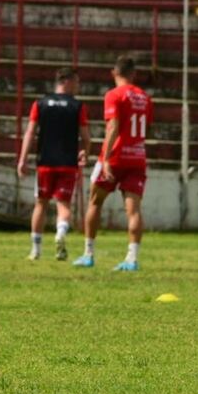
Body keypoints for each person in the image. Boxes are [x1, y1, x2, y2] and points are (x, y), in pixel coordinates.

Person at [73, 56, 153, 272]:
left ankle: (88, 254)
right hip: (137, 157)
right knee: (134, 210)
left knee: (95, 202)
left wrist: (106, 159)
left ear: (113, 73)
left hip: (115, 156)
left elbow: (113, 128)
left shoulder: (113, 95)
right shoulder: (144, 97)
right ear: (134, 74)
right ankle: (132, 259)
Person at [17, 67, 92, 261]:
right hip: (68, 163)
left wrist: (23, 158)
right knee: (63, 204)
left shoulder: (40, 104)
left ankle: (36, 250)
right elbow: (86, 137)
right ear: (65, 81)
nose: (77, 86)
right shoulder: (78, 106)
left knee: (40, 203)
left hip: (45, 163)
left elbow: (30, 133)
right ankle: (60, 234)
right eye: (76, 82)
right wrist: (85, 151)